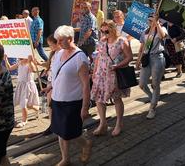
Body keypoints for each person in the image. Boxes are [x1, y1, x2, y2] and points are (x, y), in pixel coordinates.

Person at [51, 25, 92, 165]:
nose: (58, 43)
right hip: (57, 99)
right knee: (59, 132)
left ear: (70, 39)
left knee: (71, 133)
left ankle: (85, 144)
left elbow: (86, 84)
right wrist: (49, 88)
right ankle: (65, 159)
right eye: (57, 40)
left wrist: (85, 107)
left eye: (61, 40)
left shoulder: (80, 57)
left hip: (72, 102)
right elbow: (56, 76)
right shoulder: (57, 54)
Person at [91, 20, 133, 136]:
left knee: (116, 99)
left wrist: (117, 66)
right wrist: (94, 72)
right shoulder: (102, 41)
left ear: (113, 29)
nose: (104, 33)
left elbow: (129, 57)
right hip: (101, 74)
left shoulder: (122, 41)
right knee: (99, 99)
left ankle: (119, 124)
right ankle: (103, 124)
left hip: (114, 75)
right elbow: (98, 57)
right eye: (102, 31)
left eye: (107, 31)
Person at [136, 14, 167, 119]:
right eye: (149, 20)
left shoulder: (161, 29)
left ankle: (152, 107)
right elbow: (142, 47)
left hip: (157, 58)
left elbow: (163, 36)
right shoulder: (145, 31)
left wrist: (157, 24)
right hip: (146, 58)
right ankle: (152, 97)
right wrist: (138, 60)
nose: (150, 22)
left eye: (152, 20)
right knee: (142, 84)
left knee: (155, 84)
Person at [35, 34, 61, 136]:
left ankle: (58, 124)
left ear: (57, 43)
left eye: (51, 45)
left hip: (57, 83)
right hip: (51, 81)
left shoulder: (62, 53)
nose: (50, 47)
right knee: (50, 105)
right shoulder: (53, 53)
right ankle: (52, 124)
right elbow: (49, 64)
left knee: (56, 105)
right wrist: (38, 63)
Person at [4, 54, 39, 128]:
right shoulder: (19, 63)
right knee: (20, 103)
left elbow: (34, 70)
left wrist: (30, 61)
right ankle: (37, 108)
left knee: (24, 104)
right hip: (20, 85)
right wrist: (5, 59)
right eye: (19, 57)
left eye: (22, 56)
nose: (20, 58)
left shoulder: (30, 63)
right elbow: (9, 68)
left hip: (27, 86)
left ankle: (24, 120)